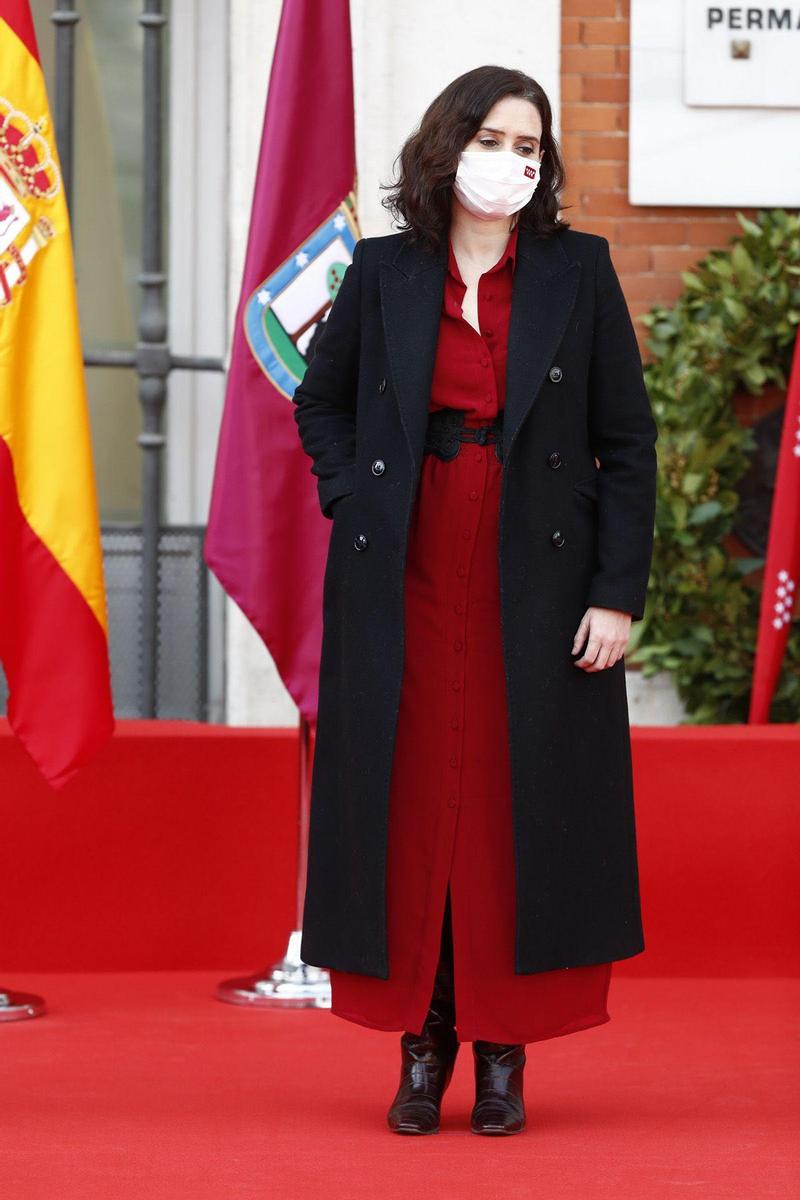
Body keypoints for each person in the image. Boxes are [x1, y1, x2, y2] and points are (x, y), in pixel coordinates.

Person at [292, 65, 658, 1137]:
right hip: (401, 561)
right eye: (494, 138)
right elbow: (320, 403)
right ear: (448, 144)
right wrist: (349, 486)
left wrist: (615, 594)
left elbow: (626, 447)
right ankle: (423, 1041)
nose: (511, 160)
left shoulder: (576, 272)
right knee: (409, 800)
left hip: (536, 568)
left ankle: (502, 1050)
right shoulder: (380, 271)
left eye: (529, 146)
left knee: (512, 801)